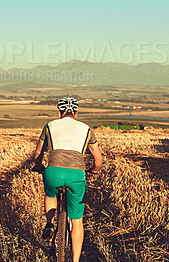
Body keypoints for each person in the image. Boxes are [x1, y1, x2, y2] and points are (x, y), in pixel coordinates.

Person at [33, 96, 102, 262]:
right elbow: (98, 158)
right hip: (76, 175)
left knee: (50, 195)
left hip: (53, 172)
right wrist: (94, 170)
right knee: (77, 221)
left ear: (59, 112)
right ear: (76, 113)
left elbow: (38, 153)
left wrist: (39, 166)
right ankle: (75, 260)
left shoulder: (49, 125)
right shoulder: (86, 129)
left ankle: (49, 223)